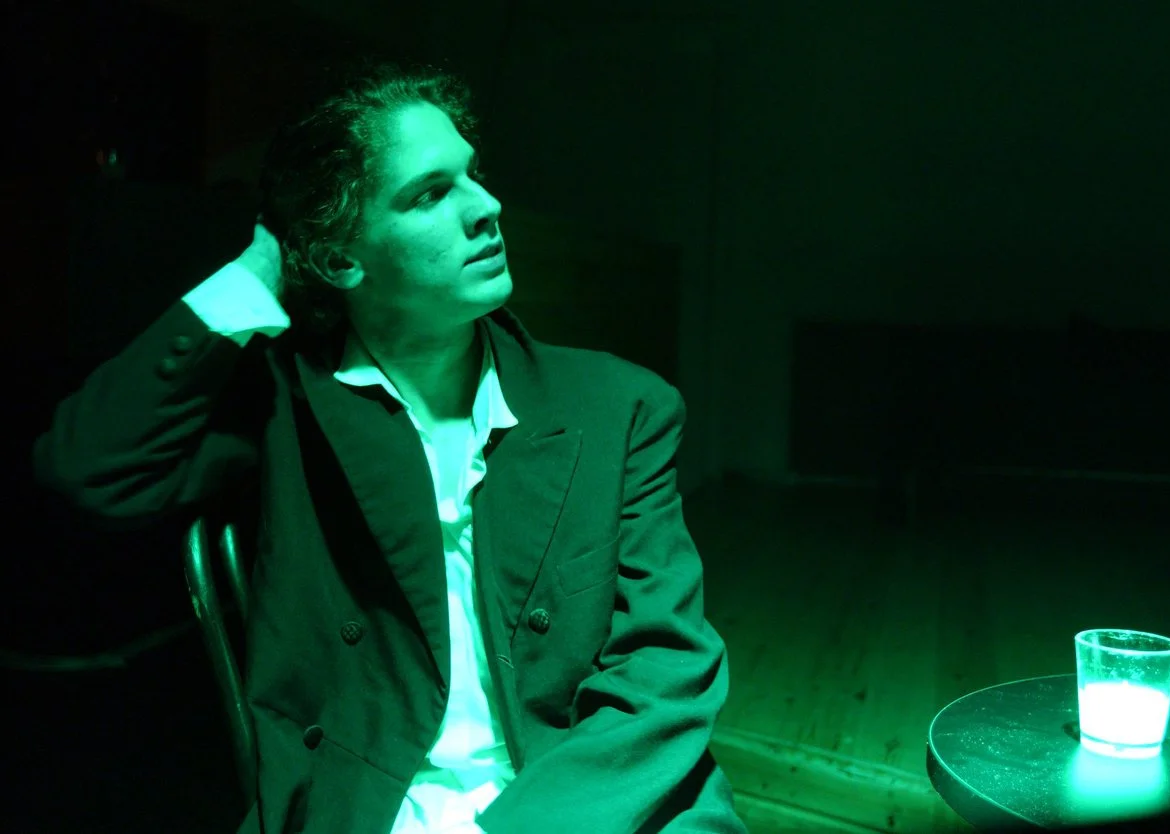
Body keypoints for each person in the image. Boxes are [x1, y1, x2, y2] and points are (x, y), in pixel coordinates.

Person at [32, 59, 745, 834]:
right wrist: (256, 271)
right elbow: (87, 468)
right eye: (431, 194)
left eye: (473, 174)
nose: (487, 207)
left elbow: (665, 665)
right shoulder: (284, 409)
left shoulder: (618, 406)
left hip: (583, 793)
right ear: (340, 259)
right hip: (376, 801)